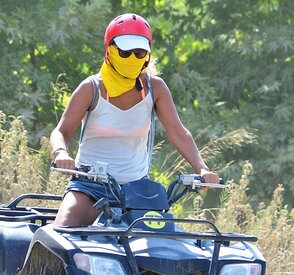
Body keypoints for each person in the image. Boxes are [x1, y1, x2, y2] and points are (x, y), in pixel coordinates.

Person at [50, 13, 219, 227]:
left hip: (137, 191)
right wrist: (61, 153)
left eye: (139, 52)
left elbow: (178, 132)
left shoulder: (155, 88)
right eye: (125, 51)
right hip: (89, 185)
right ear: (109, 50)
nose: (132, 58)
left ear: (147, 55)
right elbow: (61, 131)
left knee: (163, 248)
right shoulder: (91, 88)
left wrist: (201, 168)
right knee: (62, 235)